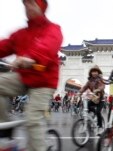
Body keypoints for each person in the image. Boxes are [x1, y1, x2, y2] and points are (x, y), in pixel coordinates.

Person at [0, 0, 63, 150]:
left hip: (44, 82)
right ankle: (5, 132)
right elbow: (4, 46)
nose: (28, 7)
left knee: (32, 118)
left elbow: (47, 46)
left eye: (32, 3)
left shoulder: (53, 29)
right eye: (26, 4)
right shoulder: (21, 34)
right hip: (23, 78)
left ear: (41, 7)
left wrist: (30, 57)